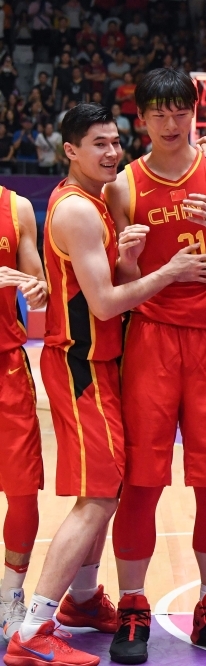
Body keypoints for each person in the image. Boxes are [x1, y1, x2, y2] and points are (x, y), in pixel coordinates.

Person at [3, 103, 206, 666]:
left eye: (115, 142)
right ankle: (33, 629)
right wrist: (166, 272)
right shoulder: (76, 210)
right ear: (70, 151)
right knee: (98, 498)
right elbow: (103, 302)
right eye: (98, 144)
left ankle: (80, 601)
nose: (111, 153)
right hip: (81, 365)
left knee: (106, 490)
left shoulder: (96, 201)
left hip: (99, 364)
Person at [103, 69, 206, 664]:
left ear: (195, 113)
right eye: (158, 114)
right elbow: (120, 284)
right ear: (141, 119)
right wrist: (132, 260)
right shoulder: (123, 186)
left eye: (180, 112)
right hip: (150, 340)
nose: (171, 124)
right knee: (140, 482)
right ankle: (134, 608)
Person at [0, 186, 46, 643]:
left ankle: (9, 597)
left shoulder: (15, 208)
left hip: (7, 366)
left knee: (22, 490)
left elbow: (41, 296)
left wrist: (36, 288)